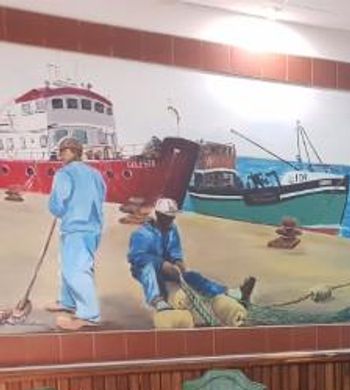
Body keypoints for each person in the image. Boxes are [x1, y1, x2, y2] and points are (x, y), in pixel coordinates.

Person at [127, 198, 255, 312]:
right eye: (168, 217)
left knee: (192, 276)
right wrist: (161, 264)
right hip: (143, 268)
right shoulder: (142, 234)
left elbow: (175, 251)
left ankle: (230, 293)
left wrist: (179, 264)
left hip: (169, 269)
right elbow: (136, 257)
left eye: (172, 217)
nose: (171, 220)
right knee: (148, 270)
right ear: (159, 215)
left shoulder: (172, 229)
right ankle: (157, 300)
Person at [46, 137, 106, 331]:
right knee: (71, 265)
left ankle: (89, 316)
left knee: (76, 269)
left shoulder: (64, 173)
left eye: (62, 151)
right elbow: (102, 194)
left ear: (71, 152)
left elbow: (57, 203)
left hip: (75, 226)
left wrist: (58, 210)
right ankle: (68, 302)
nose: (60, 156)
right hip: (93, 227)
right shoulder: (95, 173)